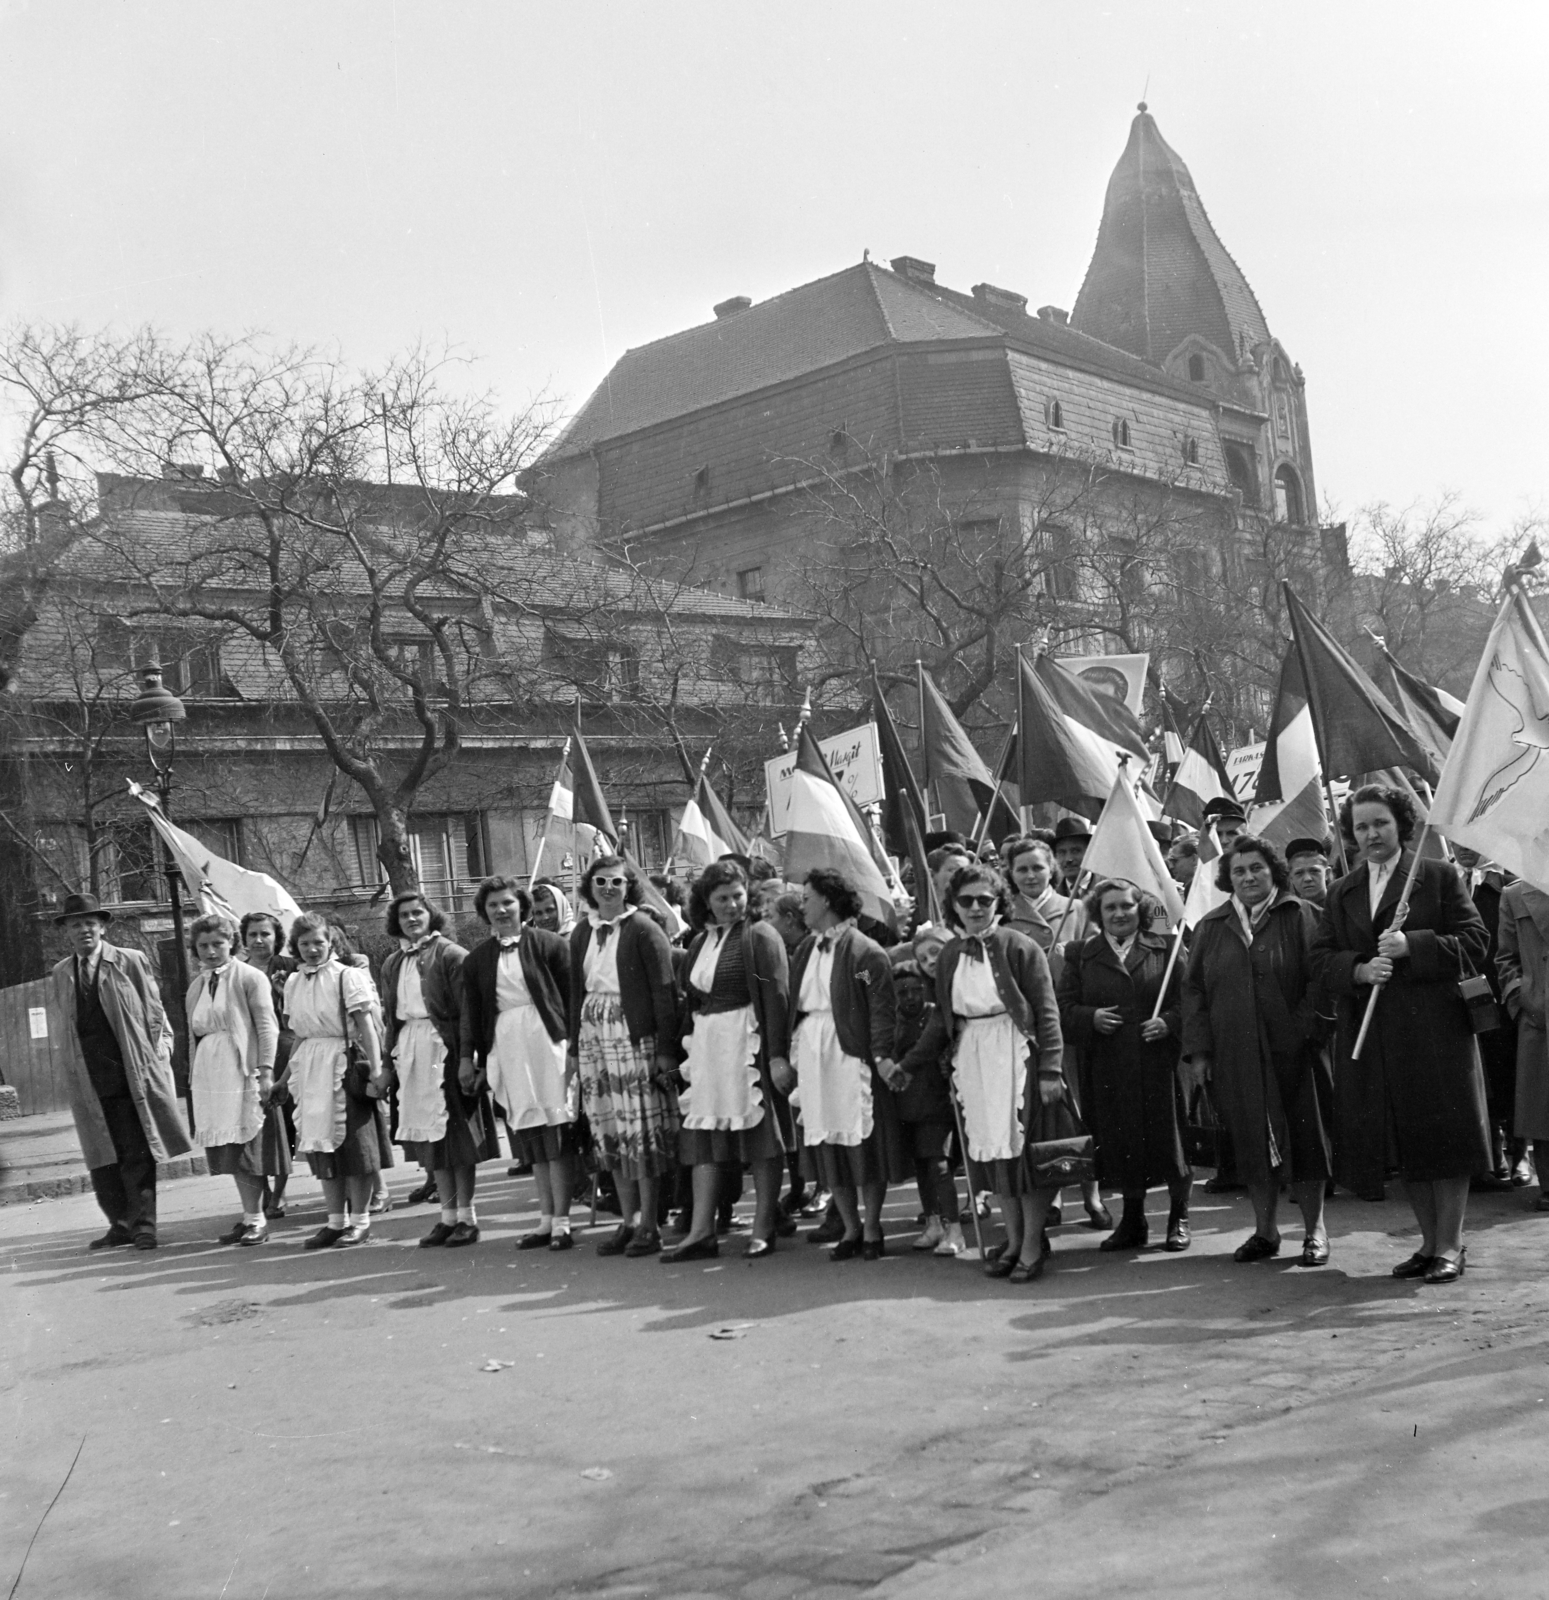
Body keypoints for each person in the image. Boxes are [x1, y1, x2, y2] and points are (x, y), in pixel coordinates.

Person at [1310, 785, 1492, 1284]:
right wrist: (1359, 969)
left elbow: (1475, 942)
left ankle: (1452, 1245)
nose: (1371, 834)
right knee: (1408, 1139)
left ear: (1401, 826)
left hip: (1435, 1032)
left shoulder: (1436, 876)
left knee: (1444, 1138)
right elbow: (1321, 958)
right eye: (1361, 826)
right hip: (1376, 1037)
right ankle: (1428, 1243)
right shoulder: (1342, 890)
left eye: (1380, 824)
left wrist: (1413, 944)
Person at [901, 865, 1067, 1281]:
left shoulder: (1020, 945)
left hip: (1014, 1052)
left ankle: (1032, 1246)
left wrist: (1050, 1069)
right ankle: (1011, 1240)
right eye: (966, 900)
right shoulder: (950, 955)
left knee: (1024, 1154)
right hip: (973, 1056)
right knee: (994, 1155)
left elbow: (1047, 1011)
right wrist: (908, 1064)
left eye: (985, 900)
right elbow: (942, 1020)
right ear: (953, 905)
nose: (975, 908)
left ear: (999, 903)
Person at [1182, 837, 1335, 1265]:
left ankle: (1315, 1232)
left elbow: (1322, 981)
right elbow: (1194, 992)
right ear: (1227, 878)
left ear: (1273, 872)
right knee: (1251, 1142)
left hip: (1297, 1051)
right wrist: (1200, 1053)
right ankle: (1265, 1233)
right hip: (1236, 1053)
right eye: (1239, 871)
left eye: (1257, 869)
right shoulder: (1212, 926)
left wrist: (1306, 1032)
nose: (1248, 877)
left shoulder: (1301, 915)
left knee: (1306, 1141)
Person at [51, 893, 191, 1252]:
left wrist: (155, 1056)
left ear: (102, 927)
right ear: (66, 931)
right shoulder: (62, 972)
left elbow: (153, 1011)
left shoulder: (129, 961)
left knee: (135, 1152)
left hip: (129, 1072)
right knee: (101, 1155)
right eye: (76, 924)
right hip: (89, 1078)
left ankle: (144, 1225)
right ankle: (120, 1224)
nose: (84, 929)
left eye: (90, 923)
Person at [1058, 879, 1191, 1252]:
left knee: (1170, 1139)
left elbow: (1190, 998)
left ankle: (1178, 1216)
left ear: (1141, 909)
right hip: (1107, 1064)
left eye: (1126, 906)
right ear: (1098, 914)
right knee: (1122, 1140)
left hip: (1157, 1061)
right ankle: (1133, 1220)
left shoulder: (1166, 946)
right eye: (1110, 908)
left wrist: (1170, 1022)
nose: (1119, 914)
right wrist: (1090, 1017)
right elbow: (1063, 1009)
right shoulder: (1081, 954)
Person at [669, 859, 791, 1261]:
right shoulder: (700, 942)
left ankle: (763, 1226)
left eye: (738, 896)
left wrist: (776, 1056)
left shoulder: (760, 936)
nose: (731, 905)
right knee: (705, 1137)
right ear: (706, 902)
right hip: (708, 1045)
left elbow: (776, 999)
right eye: (722, 898)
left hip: (746, 1042)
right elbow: (692, 1000)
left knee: (759, 1136)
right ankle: (701, 1232)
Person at [567, 855, 682, 1259]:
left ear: (628, 886)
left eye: (616, 882)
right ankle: (628, 1219)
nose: (608, 889)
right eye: (600, 882)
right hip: (593, 1032)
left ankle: (650, 1224)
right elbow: (573, 993)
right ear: (590, 887)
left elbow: (665, 993)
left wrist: (665, 1051)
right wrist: (573, 1047)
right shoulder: (583, 931)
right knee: (608, 1129)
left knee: (641, 1133)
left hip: (633, 1034)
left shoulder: (645, 929)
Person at [787, 868, 905, 1260]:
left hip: (849, 1054)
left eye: (807, 898)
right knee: (826, 1142)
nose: (802, 905)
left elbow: (881, 1011)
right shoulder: (805, 948)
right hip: (815, 1054)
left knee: (862, 1143)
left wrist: (880, 1055)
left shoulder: (864, 952)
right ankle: (849, 1228)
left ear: (826, 901)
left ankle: (871, 1226)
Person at [459, 875, 575, 1249]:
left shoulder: (549, 944)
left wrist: (575, 1046)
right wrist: (470, 1058)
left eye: (507, 903)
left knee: (555, 1126)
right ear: (485, 912)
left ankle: (563, 1221)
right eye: (493, 905)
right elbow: (472, 1013)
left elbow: (572, 998)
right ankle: (545, 1218)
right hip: (507, 1044)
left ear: (521, 907)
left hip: (547, 1041)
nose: (501, 910)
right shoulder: (477, 959)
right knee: (532, 1133)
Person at [1003, 836, 1108, 1230]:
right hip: (1029, 1032)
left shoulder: (1077, 910)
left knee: (1082, 1111)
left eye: (1037, 867)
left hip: (1071, 1028)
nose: (1030, 875)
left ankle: (1092, 1197)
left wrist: (1075, 954)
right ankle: (1053, 1195)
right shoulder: (1003, 915)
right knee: (1042, 1117)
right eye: (1022, 869)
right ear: (1010, 875)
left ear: (1052, 870)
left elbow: (1099, 958)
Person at [381, 891, 493, 1248]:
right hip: (411, 1051)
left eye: (418, 913)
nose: (412, 920)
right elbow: (390, 1019)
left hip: (444, 1048)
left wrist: (465, 1058)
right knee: (432, 1139)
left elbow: (466, 1012)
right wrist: (388, 1063)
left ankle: (467, 1217)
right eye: (404, 916)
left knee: (456, 1139)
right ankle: (446, 1218)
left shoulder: (451, 955)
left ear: (431, 916)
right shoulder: (393, 963)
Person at [285, 913, 389, 1248]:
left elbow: (368, 1026)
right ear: (295, 947)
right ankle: (335, 1221)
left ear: (331, 942)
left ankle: (359, 1221)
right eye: (305, 944)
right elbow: (300, 1036)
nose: (312, 949)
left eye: (318, 942)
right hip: (311, 1069)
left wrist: (376, 1070)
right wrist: (282, 1079)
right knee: (322, 1146)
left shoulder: (348, 977)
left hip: (343, 1064)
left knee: (353, 1147)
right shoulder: (293, 982)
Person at [185, 912, 280, 1246]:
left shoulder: (250, 977)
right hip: (210, 1071)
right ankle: (248, 1215)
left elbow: (267, 1026)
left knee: (246, 1144)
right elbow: (192, 1034)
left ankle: (257, 1219)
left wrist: (265, 1071)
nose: (211, 952)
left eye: (218, 944)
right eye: (203, 946)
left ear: (231, 944)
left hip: (241, 1066)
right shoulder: (197, 984)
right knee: (228, 1147)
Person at [891, 927, 966, 1257]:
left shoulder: (936, 1008)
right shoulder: (893, 1017)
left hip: (936, 1097)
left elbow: (932, 1048)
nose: (909, 997)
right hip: (907, 1100)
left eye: (915, 990)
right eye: (902, 992)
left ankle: (955, 1227)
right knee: (922, 1164)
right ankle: (932, 1221)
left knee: (938, 1163)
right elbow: (863, 975)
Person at [239, 910, 298, 1217]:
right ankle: (261, 1191)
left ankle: (279, 1193)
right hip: (250, 1052)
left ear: (277, 938)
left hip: (286, 1049)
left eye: (266, 933)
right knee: (256, 1124)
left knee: (285, 1122)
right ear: (244, 939)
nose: (259, 940)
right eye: (253, 934)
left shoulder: (291, 968)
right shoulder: (237, 971)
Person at [1496, 878, 1549, 1211]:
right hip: (1538, 1015)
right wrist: (1523, 998)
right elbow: (1505, 958)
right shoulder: (1514, 895)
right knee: (1541, 1105)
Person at [1285, 838, 1332, 909]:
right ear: (1291, 878)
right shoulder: (1290, 914)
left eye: (1314, 871)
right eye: (1299, 873)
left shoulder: (1344, 904)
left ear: (1327, 873)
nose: (1307, 879)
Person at [1051, 817, 1091, 896]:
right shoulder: (1053, 896)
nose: (1069, 859)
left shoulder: (1108, 889)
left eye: (1075, 851)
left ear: (1088, 852)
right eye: (1062, 852)